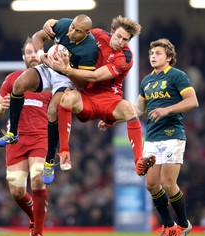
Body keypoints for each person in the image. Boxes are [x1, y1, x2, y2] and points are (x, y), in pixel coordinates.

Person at [45, 15, 155, 183]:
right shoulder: (95, 35)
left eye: (125, 40)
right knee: (66, 99)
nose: (120, 41)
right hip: (87, 97)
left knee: (129, 110)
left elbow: (96, 76)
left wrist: (67, 70)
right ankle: (64, 152)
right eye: (118, 36)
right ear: (112, 32)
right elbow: (66, 27)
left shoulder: (125, 58)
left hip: (109, 100)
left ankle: (139, 161)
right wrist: (51, 23)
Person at [0, 15, 99, 185]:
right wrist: (42, 54)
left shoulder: (89, 49)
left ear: (86, 33)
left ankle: (49, 161)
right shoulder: (63, 25)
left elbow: (83, 82)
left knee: (52, 111)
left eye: (77, 31)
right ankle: (13, 133)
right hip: (47, 67)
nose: (71, 32)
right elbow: (38, 36)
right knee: (19, 84)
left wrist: (67, 69)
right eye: (72, 27)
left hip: (66, 77)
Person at [135, 38, 199, 236]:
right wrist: (112, 118)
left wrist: (167, 109)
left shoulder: (177, 76)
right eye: (151, 53)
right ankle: (168, 226)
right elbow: (138, 110)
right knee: (151, 184)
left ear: (169, 57)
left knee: (168, 184)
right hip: (152, 137)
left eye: (158, 53)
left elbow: (192, 101)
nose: (153, 56)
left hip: (172, 135)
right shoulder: (146, 80)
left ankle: (182, 225)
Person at [0, 37, 51, 236]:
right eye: (28, 52)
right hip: (16, 139)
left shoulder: (52, 80)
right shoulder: (13, 79)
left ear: (43, 53)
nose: (32, 55)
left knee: (37, 178)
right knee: (17, 189)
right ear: (23, 57)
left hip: (40, 137)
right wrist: (1, 108)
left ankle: (38, 234)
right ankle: (35, 219)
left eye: (35, 51)